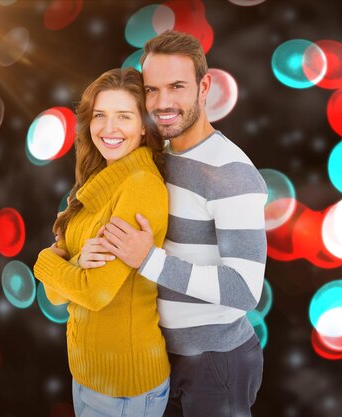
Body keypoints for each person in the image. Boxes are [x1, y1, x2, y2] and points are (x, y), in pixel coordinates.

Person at [79, 31, 268, 417]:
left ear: (204, 86)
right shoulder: (156, 155)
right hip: (159, 358)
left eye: (177, 87)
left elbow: (246, 289)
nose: (162, 103)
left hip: (215, 362)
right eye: (152, 90)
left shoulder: (231, 174)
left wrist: (149, 260)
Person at [33, 67, 171, 417]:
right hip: (88, 377)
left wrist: (47, 263)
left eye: (123, 116)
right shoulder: (99, 179)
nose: (109, 129)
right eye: (100, 116)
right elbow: (55, 296)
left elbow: (94, 293)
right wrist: (77, 266)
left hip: (125, 388)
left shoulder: (140, 186)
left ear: (144, 126)